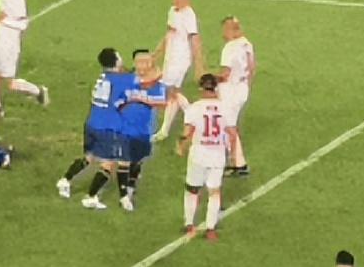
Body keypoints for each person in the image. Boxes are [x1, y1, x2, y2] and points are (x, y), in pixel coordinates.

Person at [56, 48, 134, 210]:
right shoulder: (120, 81)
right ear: (116, 61)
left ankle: (65, 180)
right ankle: (91, 197)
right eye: (119, 56)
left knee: (89, 157)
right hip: (106, 127)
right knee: (108, 163)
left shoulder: (103, 77)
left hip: (92, 123)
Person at [176, 73, 236, 241]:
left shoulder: (194, 108)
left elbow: (187, 133)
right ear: (216, 88)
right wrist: (232, 154)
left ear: (201, 88)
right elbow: (232, 134)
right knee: (214, 192)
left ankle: (189, 224)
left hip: (199, 154)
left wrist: (181, 147)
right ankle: (210, 229)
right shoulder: (226, 108)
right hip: (217, 155)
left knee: (192, 189)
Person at [153, 0, 204, 141]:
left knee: (172, 92)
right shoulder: (172, 11)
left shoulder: (189, 15)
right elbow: (168, 34)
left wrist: (199, 65)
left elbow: (195, 40)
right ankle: (165, 130)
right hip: (170, 57)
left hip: (181, 59)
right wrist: (156, 53)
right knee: (172, 94)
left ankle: (195, 118)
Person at [117, 49, 167, 211]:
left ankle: (131, 185)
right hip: (125, 126)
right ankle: (124, 196)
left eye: (145, 61)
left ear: (151, 63)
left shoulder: (156, 83)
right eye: (139, 61)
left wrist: (141, 98)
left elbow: (162, 102)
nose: (142, 65)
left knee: (137, 159)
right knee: (124, 159)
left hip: (144, 127)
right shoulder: (127, 80)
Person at [217, 16, 256, 176]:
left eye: (225, 30)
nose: (223, 34)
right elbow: (252, 68)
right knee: (229, 125)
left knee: (228, 126)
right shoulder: (246, 44)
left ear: (231, 30)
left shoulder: (230, 48)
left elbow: (225, 74)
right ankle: (236, 160)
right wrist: (246, 86)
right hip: (242, 88)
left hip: (230, 91)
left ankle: (238, 164)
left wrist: (210, 79)